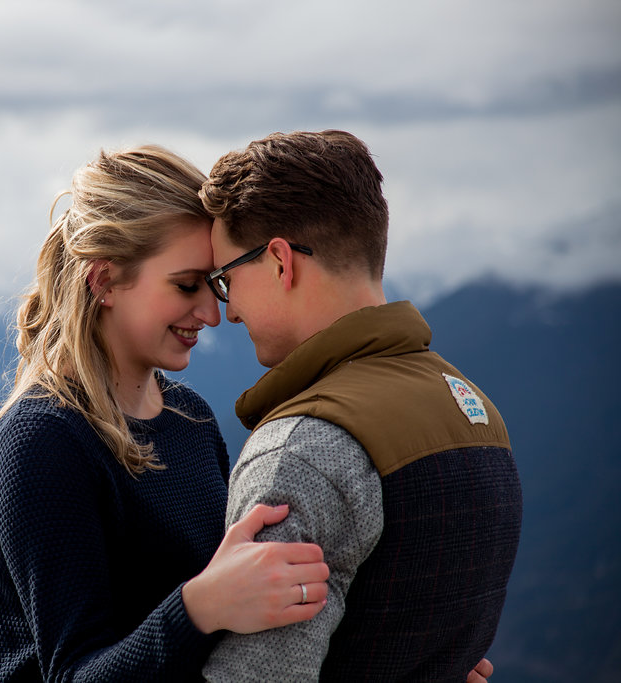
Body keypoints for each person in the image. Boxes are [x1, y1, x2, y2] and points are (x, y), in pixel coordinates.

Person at [0, 144, 331, 682]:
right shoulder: (43, 442)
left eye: (215, 284)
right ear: (104, 281)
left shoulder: (191, 418)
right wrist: (200, 606)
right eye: (187, 285)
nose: (213, 313)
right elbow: (74, 673)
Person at [199, 130, 523, 682]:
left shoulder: (299, 450)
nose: (226, 311)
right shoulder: (476, 412)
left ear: (280, 262)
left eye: (227, 279)